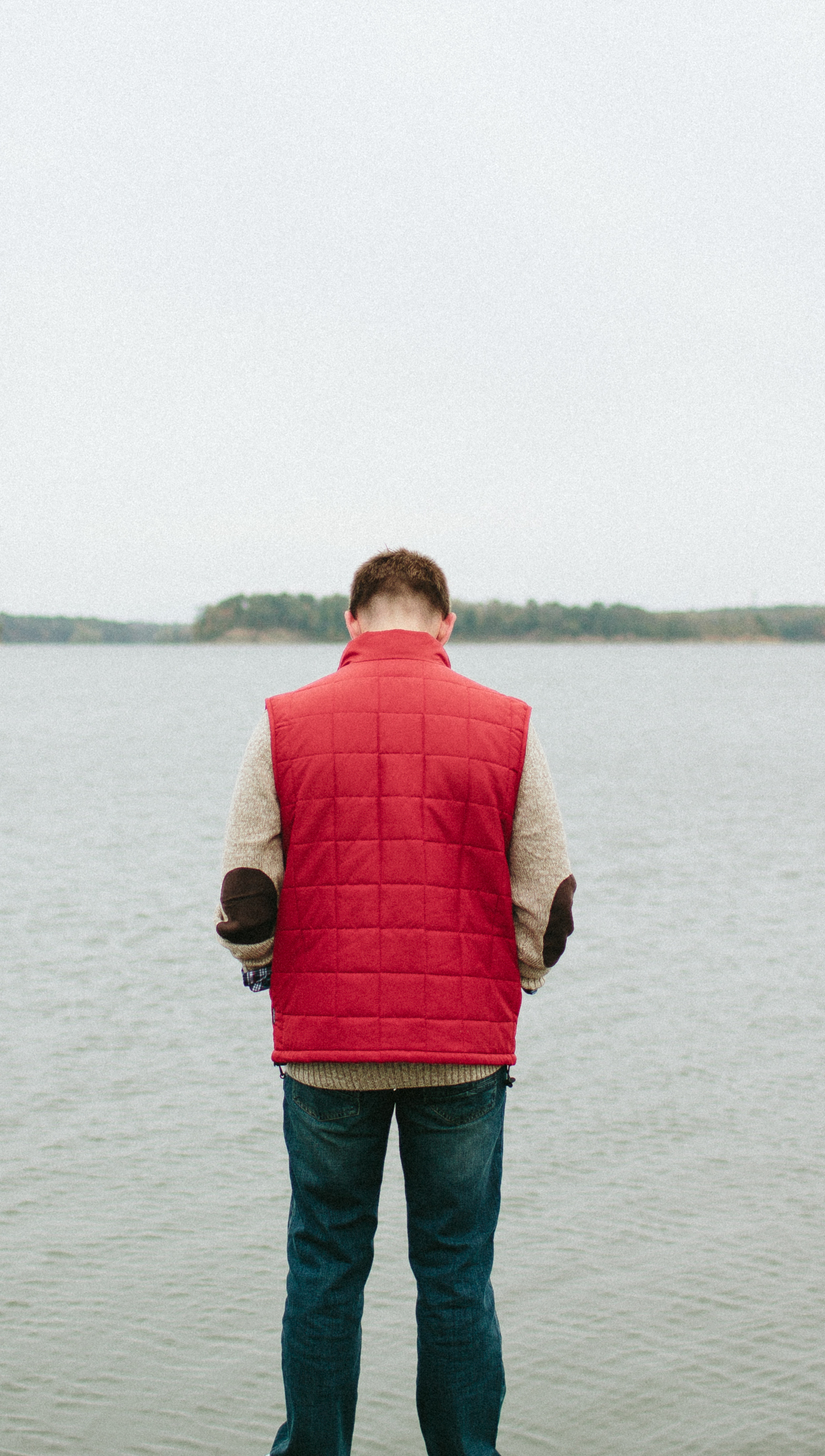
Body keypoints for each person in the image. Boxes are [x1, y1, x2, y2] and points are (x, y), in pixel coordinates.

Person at [215, 548, 577, 1456]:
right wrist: (512, 983)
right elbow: (550, 900)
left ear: (352, 620)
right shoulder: (510, 725)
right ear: (445, 623)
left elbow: (246, 893)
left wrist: (266, 967)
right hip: (462, 1057)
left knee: (326, 1271)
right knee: (456, 1277)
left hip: (327, 1054)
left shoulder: (284, 723)